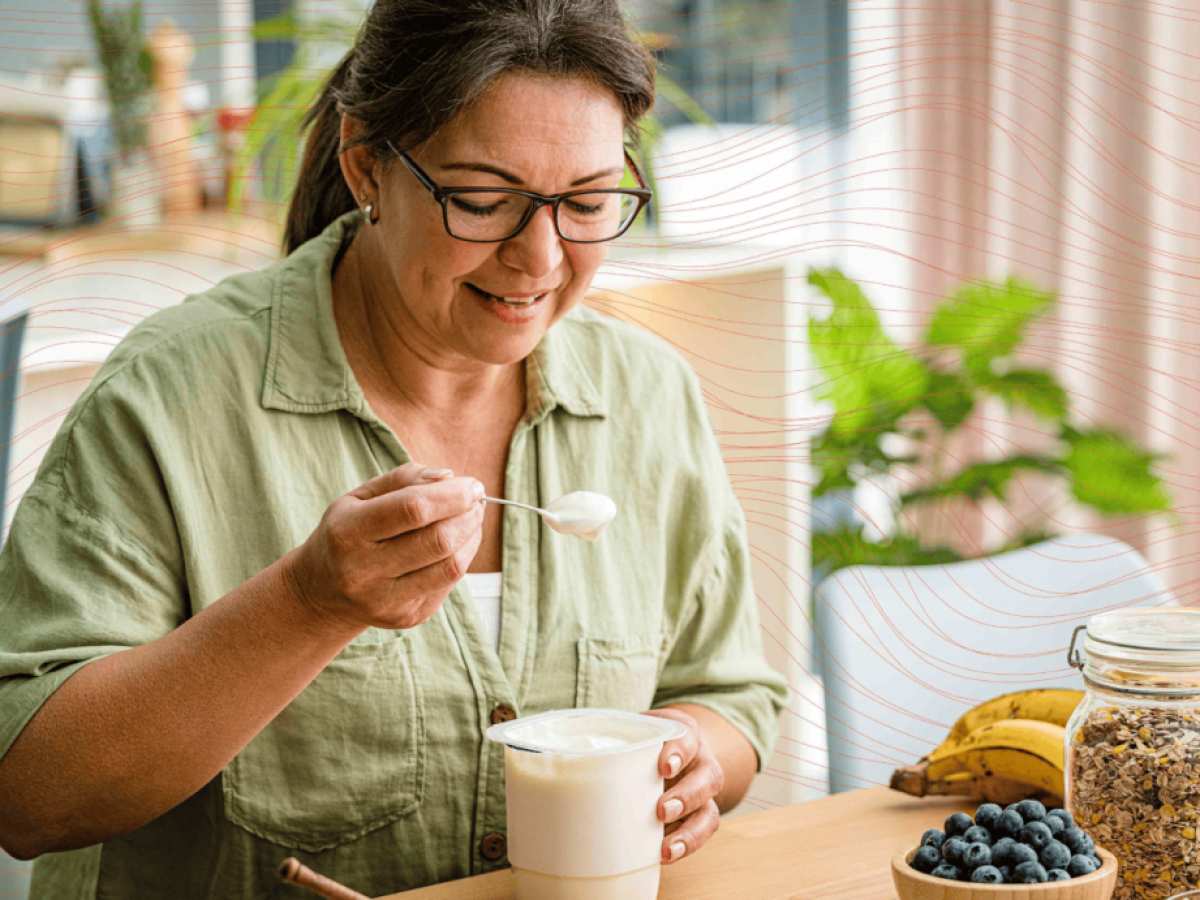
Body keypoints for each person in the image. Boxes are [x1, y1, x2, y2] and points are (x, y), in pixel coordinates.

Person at [0, 0, 788, 897]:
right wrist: (305, 606)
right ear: (367, 165)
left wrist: (692, 758)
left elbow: (732, 697)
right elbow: (29, 798)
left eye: (590, 202)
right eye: (483, 201)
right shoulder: (171, 397)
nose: (540, 258)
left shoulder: (648, 393)